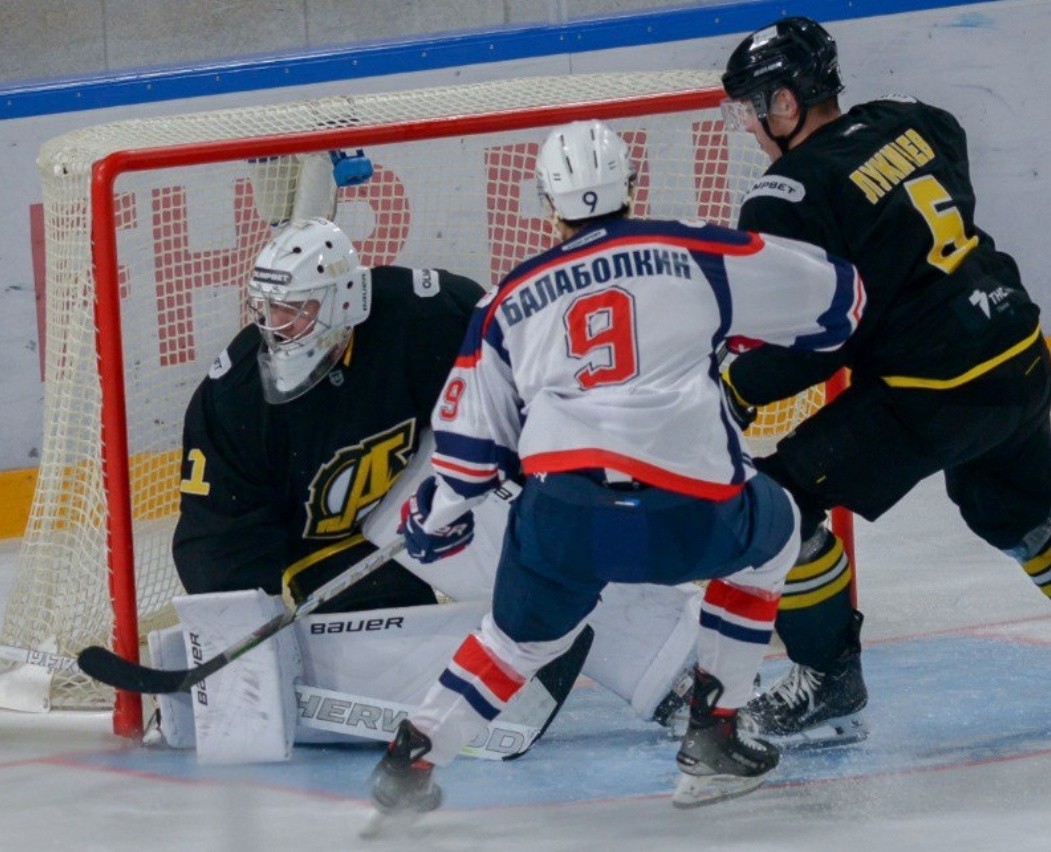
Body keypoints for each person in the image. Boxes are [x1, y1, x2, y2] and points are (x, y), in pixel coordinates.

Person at [364, 118, 866, 821]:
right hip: (693, 509)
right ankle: (715, 732)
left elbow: (469, 460)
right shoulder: (692, 248)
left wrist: (432, 521)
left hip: (565, 517)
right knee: (776, 537)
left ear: (548, 203)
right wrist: (737, 332)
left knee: (512, 643)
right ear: (631, 183)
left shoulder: (505, 301)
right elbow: (840, 302)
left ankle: (409, 763)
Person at [158, 214, 712, 763]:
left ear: (343, 302)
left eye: (294, 309)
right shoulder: (233, 398)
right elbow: (218, 536)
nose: (276, 325)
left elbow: (505, 375)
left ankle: (680, 673)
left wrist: (532, 470)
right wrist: (241, 644)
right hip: (317, 551)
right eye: (267, 307)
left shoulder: (419, 316)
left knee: (544, 541)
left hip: (426, 495)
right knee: (394, 650)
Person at [718, 16, 1051, 749]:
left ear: (785, 102)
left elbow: (817, 345)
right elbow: (942, 182)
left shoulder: (788, 193)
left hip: (937, 391)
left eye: (753, 107)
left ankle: (827, 679)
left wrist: (735, 387)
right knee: (1013, 508)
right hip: (1020, 351)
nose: (751, 127)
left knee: (775, 508)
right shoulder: (913, 117)